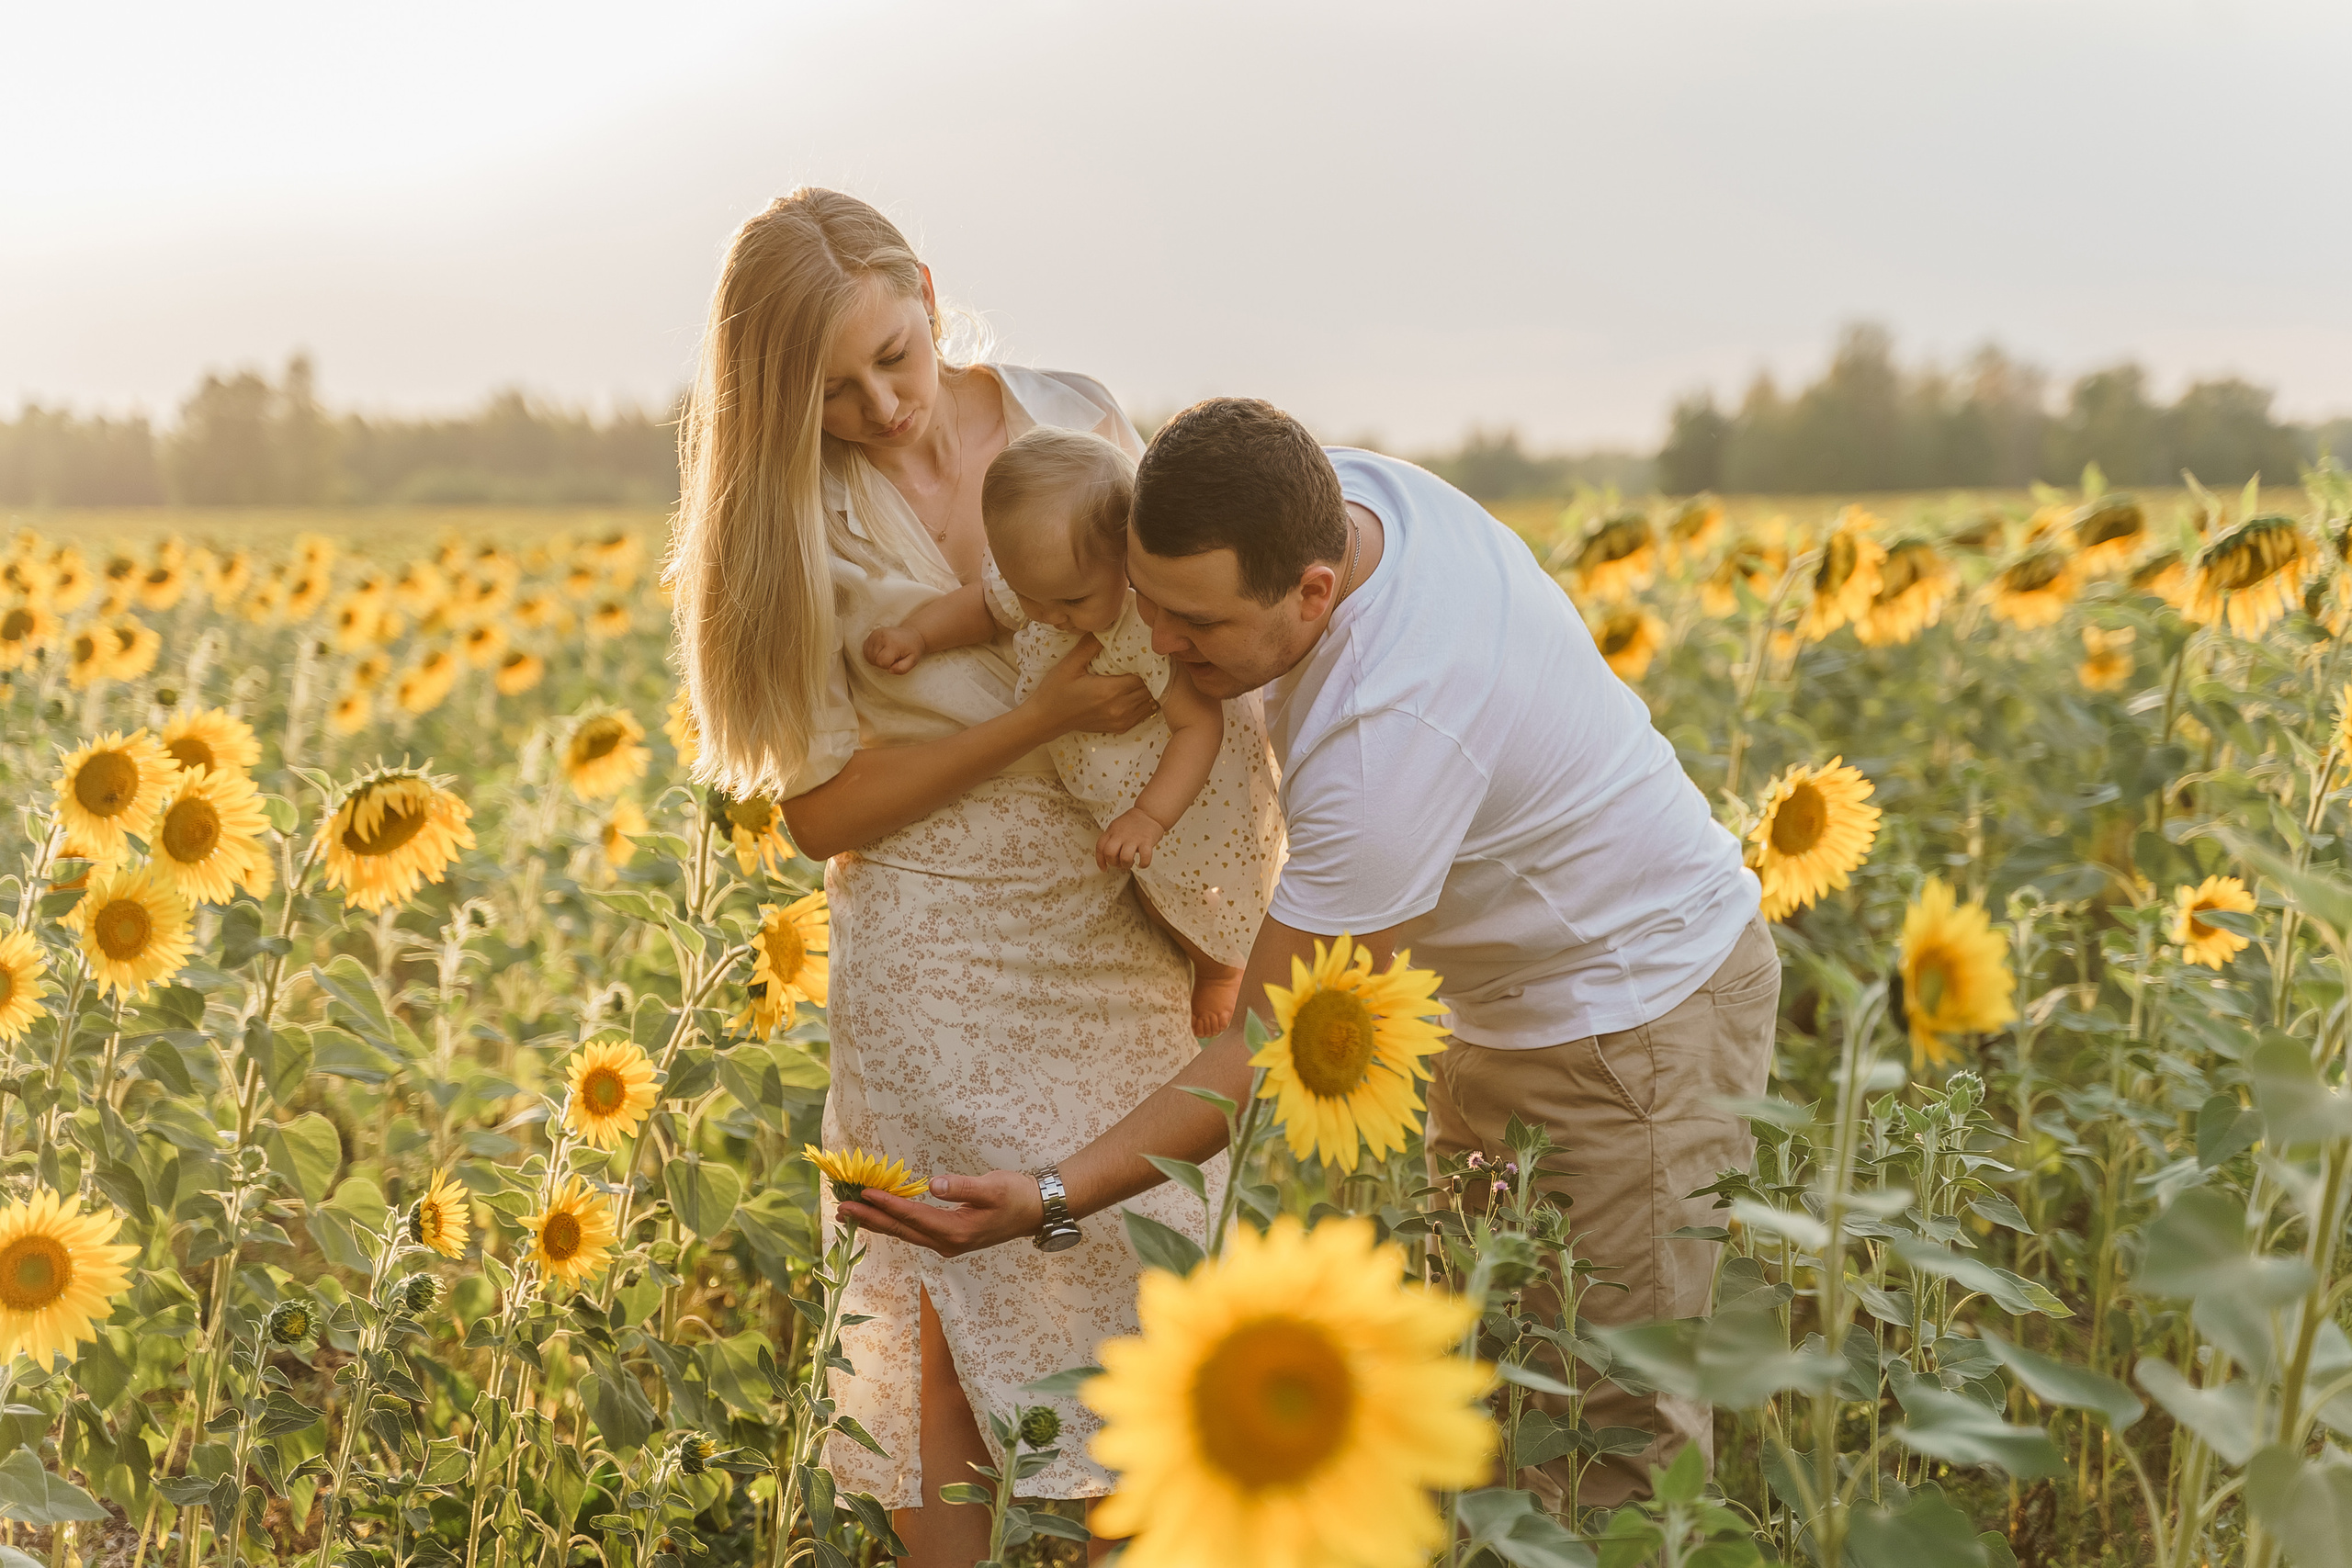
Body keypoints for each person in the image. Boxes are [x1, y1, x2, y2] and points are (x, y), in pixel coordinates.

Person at [843, 397, 1781, 1507]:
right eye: (1149, 604)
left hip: (1635, 1023)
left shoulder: (1388, 739)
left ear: (1312, 592)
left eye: (1194, 624)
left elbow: (1265, 1041)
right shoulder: (1335, 495)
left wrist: (1051, 1195)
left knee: (1617, 1433)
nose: (1164, 645)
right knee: (1491, 1400)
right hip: (1509, 1003)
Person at [669, 188, 1218, 1566]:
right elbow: (817, 810)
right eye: (832, 392)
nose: (880, 405)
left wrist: (1222, 882)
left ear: (926, 284)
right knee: (936, 1308)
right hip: (939, 943)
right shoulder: (788, 521)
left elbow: (1184, 638)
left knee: (1142, 1307)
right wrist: (1034, 717)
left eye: (893, 357)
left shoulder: (1074, 412)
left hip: (1124, 909)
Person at [862, 426, 1283, 1036]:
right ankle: (1197, 948)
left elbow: (1199, 725)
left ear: (1127, 559)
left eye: (1073, 601)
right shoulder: (1042, 585)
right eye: (1036, 600)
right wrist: (918, 635)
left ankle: (1219, 965)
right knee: (1148, 891)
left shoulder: (1148, 626)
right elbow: (984, 607)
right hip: (1114, 784)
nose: (1051, 616)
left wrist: (1151, 816)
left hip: (1182, 794)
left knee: (1192, 887)